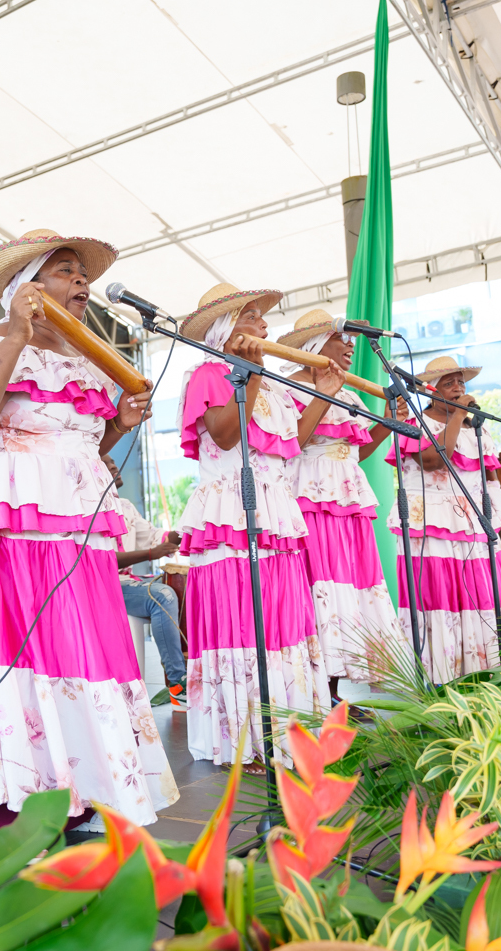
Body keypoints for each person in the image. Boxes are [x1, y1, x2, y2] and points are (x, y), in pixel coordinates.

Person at [0, 228, 177, 837]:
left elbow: (83, 446)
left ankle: (83, 795)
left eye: (82, 274)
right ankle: (7, 805)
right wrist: (16, 333)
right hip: (2, 529)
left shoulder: (87, 358)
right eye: (67, 271)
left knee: (81, 659)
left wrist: (116, 424)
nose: (83, 282)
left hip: (76, 529)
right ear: (27, 287)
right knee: (12, 660)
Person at [176, 284, 326, 770]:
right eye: (254, 318)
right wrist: (250, 373)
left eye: (263, 319)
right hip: (230, 513)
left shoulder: (275, 385)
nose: (265, 327)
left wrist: (323, 397)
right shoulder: (206, 373)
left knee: (280, 623)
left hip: (275, 508)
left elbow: (292, 444)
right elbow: (223, 435)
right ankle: (243, 738)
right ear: (227, 328)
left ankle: (289, 730)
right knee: (242, 623)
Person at [276, 310, 409, 703]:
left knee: (350, 589)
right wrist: (326, 392)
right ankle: (320, 692)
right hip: (311, 497)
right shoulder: (287, 388)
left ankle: (335, 690)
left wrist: (386, 422)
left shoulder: (349, 392)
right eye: (342, 337)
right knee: (322, 587)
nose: (351, 345)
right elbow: (289, 445)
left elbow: (356, 448)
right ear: (316, 345)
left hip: (348, 496)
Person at [385, 355, 501, 682]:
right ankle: (444, 676)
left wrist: (493, 519)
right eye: (449, 383)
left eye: (461, 382)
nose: (458, 387)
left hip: (473, 525)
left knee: (483, 597)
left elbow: (491, 477)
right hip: (433, 527)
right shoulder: (417, 423)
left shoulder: (477, 429)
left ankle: (489, 671)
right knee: (442, 599)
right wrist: (459, 413)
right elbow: (435, 460)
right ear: (431, 389)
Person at [101, 453, 185, 709]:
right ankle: (177, 684)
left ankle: (193, 669)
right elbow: (102, 560)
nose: (115, 466)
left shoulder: (125, 506)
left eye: (114, 462)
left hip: (127, 584)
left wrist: (183, 532)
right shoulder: (87, 508)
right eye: (108, 463)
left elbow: (153, 536)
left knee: (179, 587)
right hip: (102, 587)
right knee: (163, 595)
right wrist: (150, 555)